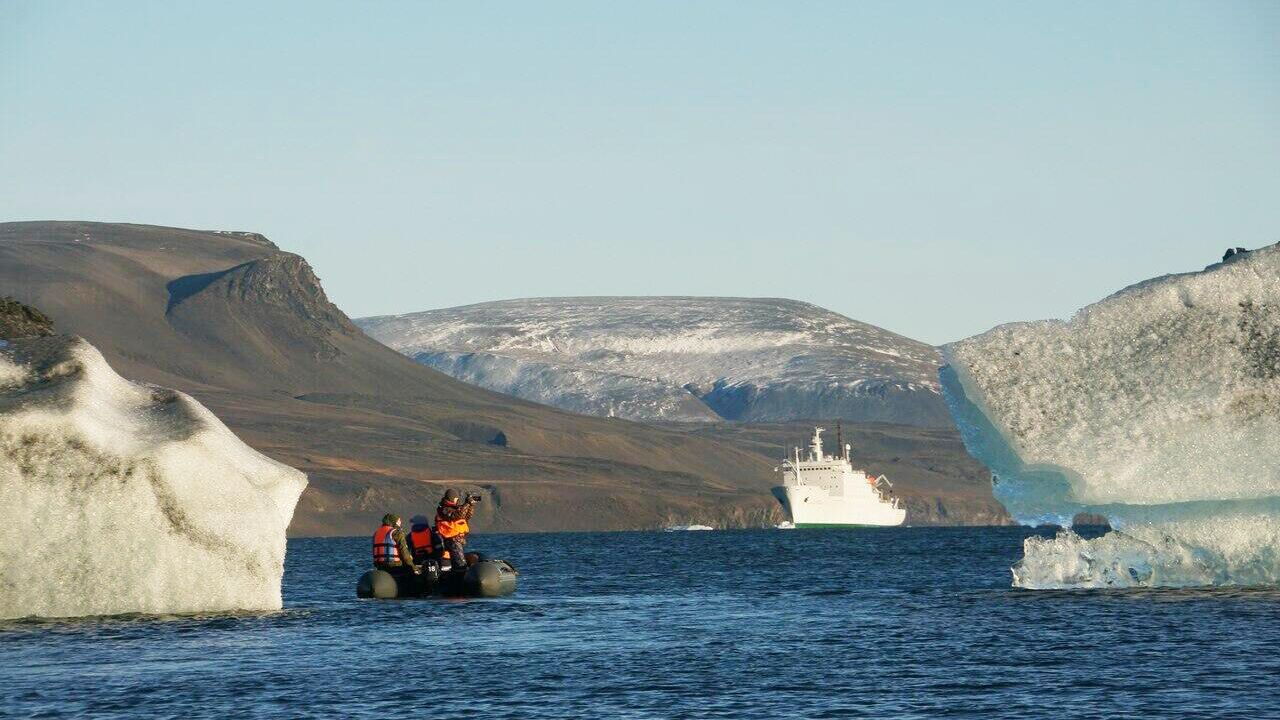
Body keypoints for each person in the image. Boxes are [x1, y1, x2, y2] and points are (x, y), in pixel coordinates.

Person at [435, 488, 478, 570]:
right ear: (451, 498)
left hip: (459, 539)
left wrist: (470, 505)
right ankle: (461, 576)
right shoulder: (444, 509)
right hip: (451, 540)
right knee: (460, 563)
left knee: (460, 560)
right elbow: (457, 516)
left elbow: (467, 516)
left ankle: (463, 571)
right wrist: (466, 503)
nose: (457, 500)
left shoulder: (456, 508)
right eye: (455, 498)